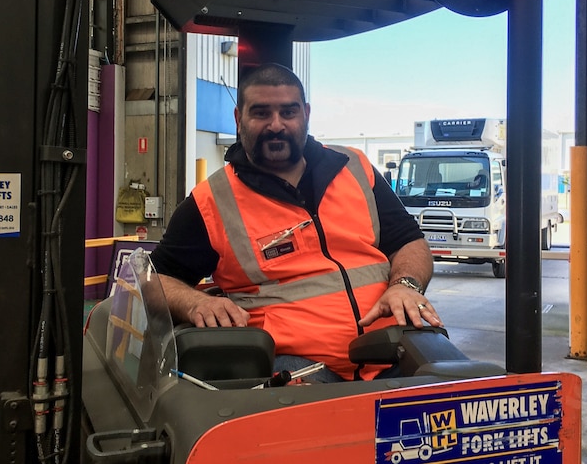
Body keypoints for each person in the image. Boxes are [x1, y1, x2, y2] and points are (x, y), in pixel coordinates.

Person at [150, 63, 442, 382]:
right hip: (298, 364)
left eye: (288, 113)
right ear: (238, 119)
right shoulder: (211, 201)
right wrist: (193, 302)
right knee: (313, 422)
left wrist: (405, 285)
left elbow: (409, 242)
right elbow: (153, 278)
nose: (276, 125)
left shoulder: (355, 168)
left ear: (305, 114)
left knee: (467, 398)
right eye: (261, 113)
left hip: (393, 346)